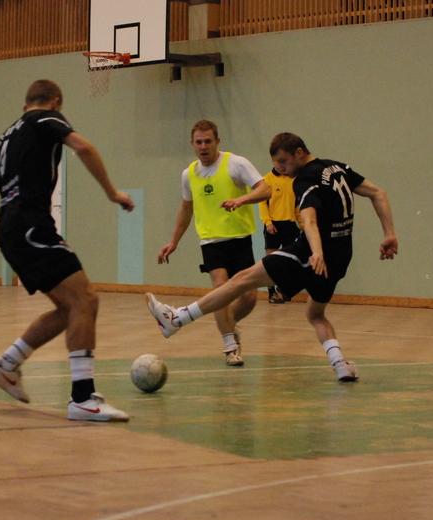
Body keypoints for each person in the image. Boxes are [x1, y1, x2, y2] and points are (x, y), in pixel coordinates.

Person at [146, 132, 398, 383]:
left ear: (299, 153)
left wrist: (316, 252)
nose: (280, 168)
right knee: (315, 314)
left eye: (283, 161)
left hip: (308, 254)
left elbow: (309, 220)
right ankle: (340, 364)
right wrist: (389, 234)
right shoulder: (337, 168)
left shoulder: (305, 179)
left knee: (242, 280)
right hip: (340, 258)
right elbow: (378, 193)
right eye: (276, 163)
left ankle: (177, 318)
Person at [0, 79, 135, 422]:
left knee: (68, 307)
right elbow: (84, 147)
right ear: (55, 102)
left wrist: (2, 238)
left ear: (25, 102)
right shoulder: (44, 118)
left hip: (14, 232)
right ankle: (82, 398)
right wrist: (112, 193)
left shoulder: (5, 137)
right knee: (86, 299)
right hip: (33, 227)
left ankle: (7, 365)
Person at [156, 120, 270, 366]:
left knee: (249, 297)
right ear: (192, 144)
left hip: (240, 238)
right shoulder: (189, 174)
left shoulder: (236, 164)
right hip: (211, 241)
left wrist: (241, 201)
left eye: (208, 141)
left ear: (217, 141)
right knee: (220, 288)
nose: (203, 146)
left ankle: (229, 324)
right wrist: (173, 241)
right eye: (198, 142)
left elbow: (265, 190)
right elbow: (186, 209)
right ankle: (230, 346)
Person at [257, 165, 301, 303]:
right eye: (279, 161)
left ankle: (284, 290)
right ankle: (272, 293)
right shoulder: (266, 180)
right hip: (273, 225)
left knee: (290, 260)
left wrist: (302, 224)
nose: (282, 165)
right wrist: (268, 223)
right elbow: (262, 204)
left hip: (290, 224)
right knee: (271, 262)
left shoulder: (293, 179)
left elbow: (296, 205)